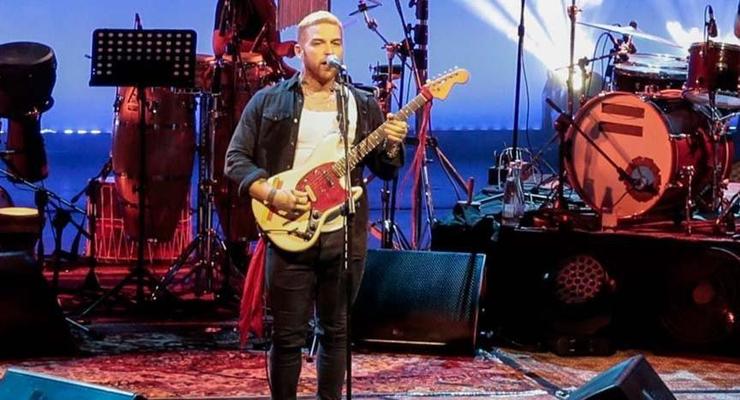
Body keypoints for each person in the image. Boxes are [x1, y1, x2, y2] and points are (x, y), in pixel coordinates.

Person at [224, 10, 408, 400]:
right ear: (299, 49)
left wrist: (392, 143)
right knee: (287, 336)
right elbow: (235, 160)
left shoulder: (361, 103)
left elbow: (386, 169)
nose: (329, 51)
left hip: (343, 233)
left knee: (336, 332)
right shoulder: (268, 100)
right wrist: (272, 194)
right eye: (319, 43)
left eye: (336, 43)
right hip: (288, 229)